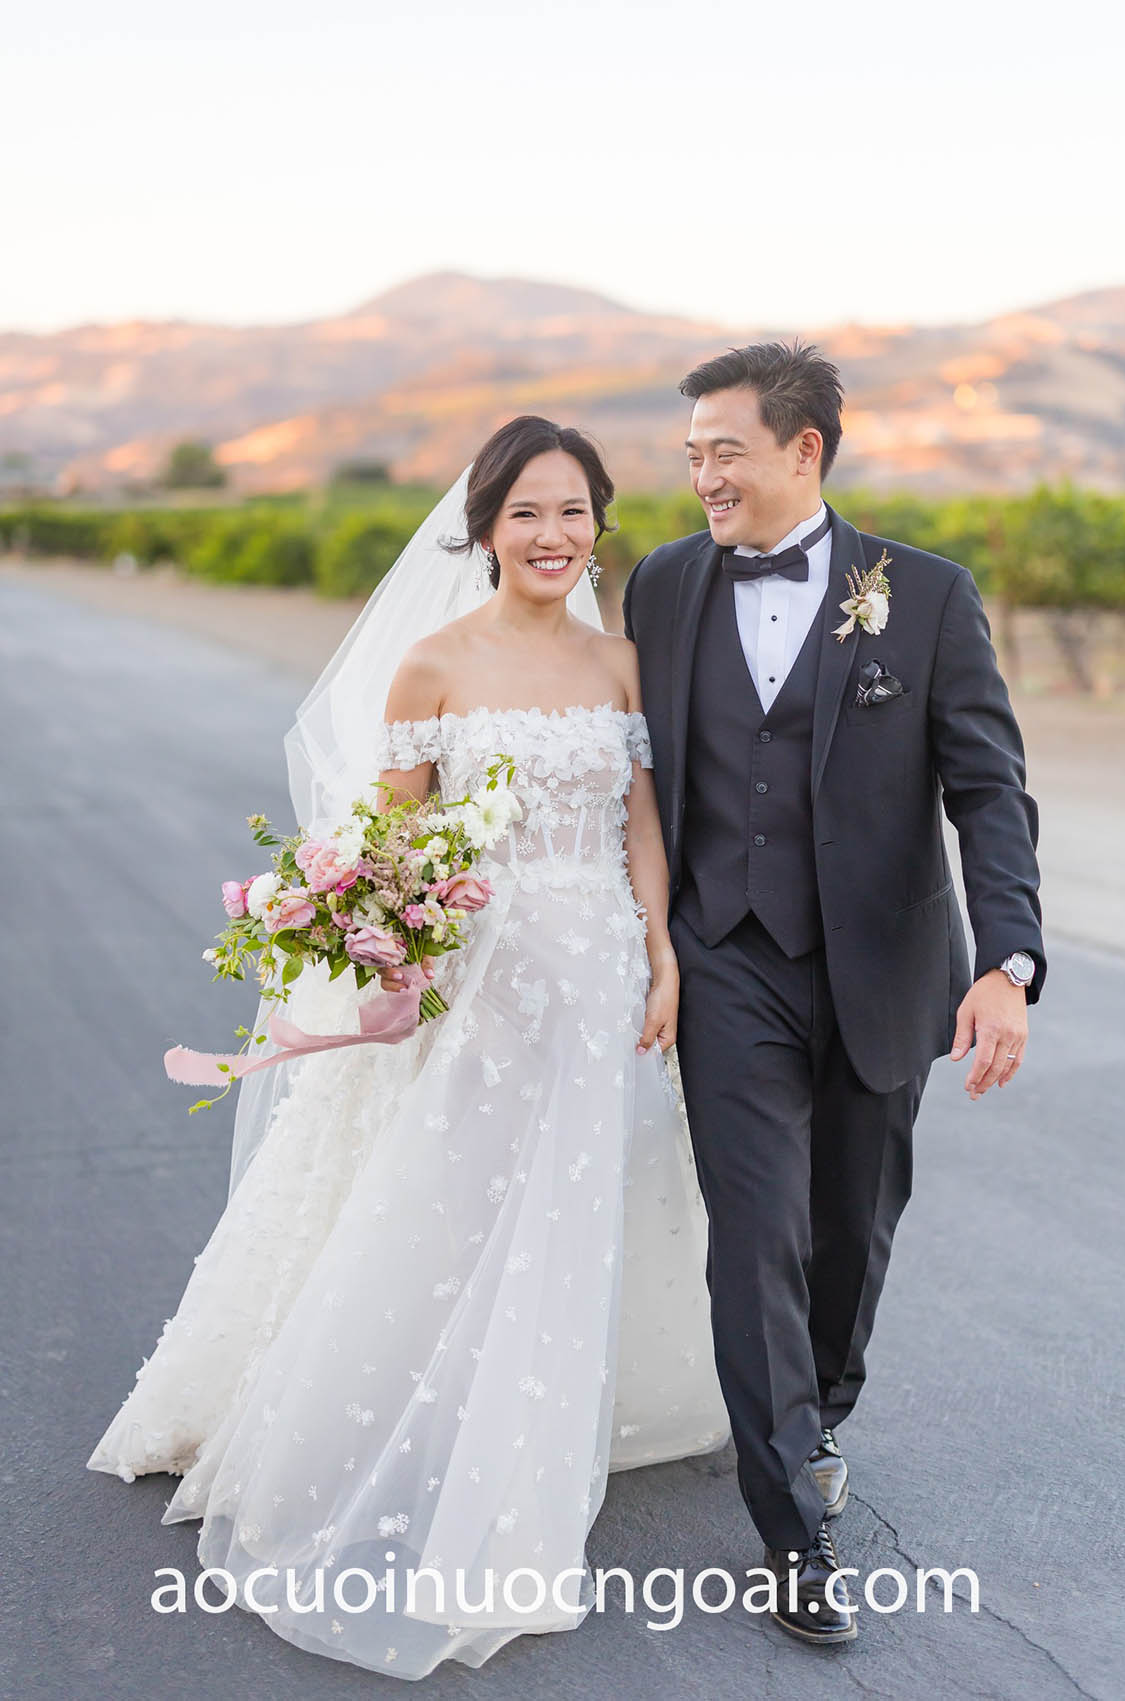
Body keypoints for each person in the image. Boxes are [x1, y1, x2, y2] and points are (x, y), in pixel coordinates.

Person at [87, 416, 731, 1679]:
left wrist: (659, 951)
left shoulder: (622, 664)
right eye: (526, 512)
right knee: (454, 1197)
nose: (552, 535)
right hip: (482, 984)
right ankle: (414, 1428)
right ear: (485, 528)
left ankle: (535, 1428)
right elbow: (392, 846)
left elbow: (642, 823)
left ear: (599, 525)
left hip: (598, 971)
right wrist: (386, 940)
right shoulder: (432, 666)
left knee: (572, 1202)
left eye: (573, 511)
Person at [624, 342, 1045, 1645]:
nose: (703, 475)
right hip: (725, 958)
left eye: (726, 451)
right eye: (691, 454)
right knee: (754, 1231)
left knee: (849, 1234)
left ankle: (818, 1410)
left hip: (882, 964)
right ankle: (792, 1524)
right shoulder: (660, 586)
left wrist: (1008, 962)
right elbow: (629, 774)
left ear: (803, 450)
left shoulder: (924, 595)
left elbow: (988, 790)